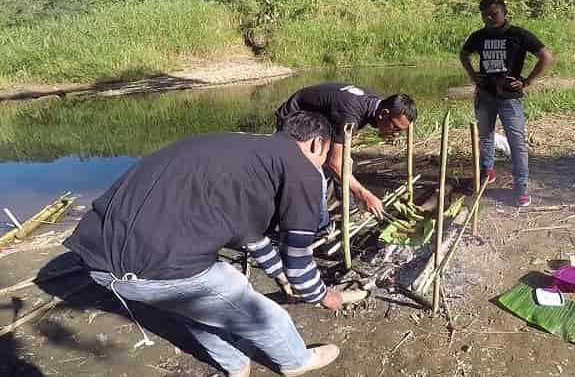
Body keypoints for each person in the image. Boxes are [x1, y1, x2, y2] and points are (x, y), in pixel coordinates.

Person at [63, 112, 344, 377]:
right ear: (318, 143)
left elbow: (248, 234)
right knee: (263, 314)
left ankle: (236, 365)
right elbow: (299, 259)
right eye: (324, 155)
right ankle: (296, 362)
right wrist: (322, 295)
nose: (320, 166)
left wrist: (279, 276)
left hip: (97, 263)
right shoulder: (302, 168)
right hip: (159, 265)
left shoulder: (242, 150)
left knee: (194, 311)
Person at [459, 0, 554, 207]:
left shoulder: (518, 35)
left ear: (505, 12)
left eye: (494, 14)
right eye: (485, 15)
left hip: (510, 99)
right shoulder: (479, 36)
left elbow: (546, 57)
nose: (489, 18)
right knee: (486, 136)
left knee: (517, 143)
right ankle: (487, 172)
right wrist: (474, 76)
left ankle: (520, 187)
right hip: (484, 95)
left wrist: (527, 81)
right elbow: (464, 54)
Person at [275, 83, 417, 218]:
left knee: (346, 164)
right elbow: (335, 163)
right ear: (383, 114)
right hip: (295, 119)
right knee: (316, 175)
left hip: (318, 122)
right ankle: (318, 223)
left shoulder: (375, 104)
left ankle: (346, 207)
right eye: (396, 128)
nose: (397, 134)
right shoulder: (350, 113)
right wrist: (365, 195)